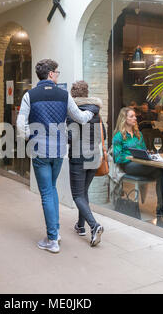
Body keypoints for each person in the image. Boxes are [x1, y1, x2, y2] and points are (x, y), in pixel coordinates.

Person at [16, 59, 94, 254]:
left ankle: (52, 239)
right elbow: (81, 118)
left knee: (47, 192)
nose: (58, 75)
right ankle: (56, 232)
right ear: (50, 74)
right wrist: (93, 109)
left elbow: (20, 124)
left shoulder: (29, 95)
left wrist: (30, 137)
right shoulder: (63, 95)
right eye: (57, 72)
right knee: (51, 188)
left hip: (39, 151)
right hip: (59, 151)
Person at [66, 80, 104, 247]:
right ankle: (80, 226)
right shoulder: (95, 110)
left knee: (77, 195)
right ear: (86, 93)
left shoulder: (72, 111)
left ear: (73, 94)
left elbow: (70, 137)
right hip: (94, 156)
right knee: (84, 192)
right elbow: (103, 134)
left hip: (78, 156)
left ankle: (94, 226)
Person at [112, 107, 163, 215]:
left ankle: (161, 206)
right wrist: (132, 157)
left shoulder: (138, 134)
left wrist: (148, 154)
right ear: (124, 119)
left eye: (135, 116)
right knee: (161, 168)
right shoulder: (118, 136)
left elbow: (144, 151)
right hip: (128, 166)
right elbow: (117, 158)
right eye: (131, 116)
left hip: (141, 164)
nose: (135, 118)